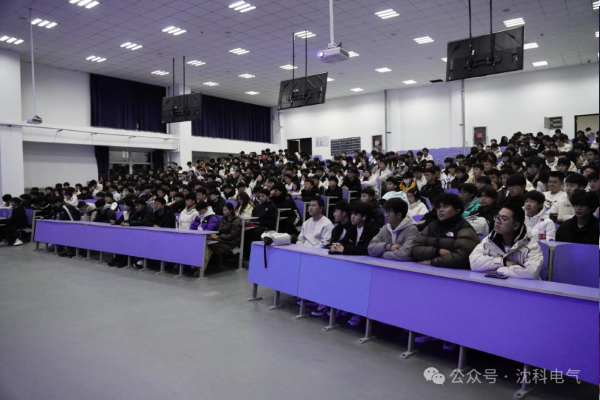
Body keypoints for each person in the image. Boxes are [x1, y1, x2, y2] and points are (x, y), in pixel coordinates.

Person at [470, 203, 544, 280]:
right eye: (497, 217)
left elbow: (531, 273)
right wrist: (503, 262)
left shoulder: (531, 245)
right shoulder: (490, 238)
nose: (498, 221)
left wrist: (499, 270)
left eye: (504, 219)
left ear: (516, 226)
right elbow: (473, 262)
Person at [412, 193, 480, 269]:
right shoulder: (431, 226)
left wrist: (433, 262)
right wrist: (437, 251)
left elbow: (462, 258)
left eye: (445, 206)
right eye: (438, 207)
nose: (440, 210)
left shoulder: (464, 229)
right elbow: (415, 249)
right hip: (432, 269)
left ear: (457, 210)